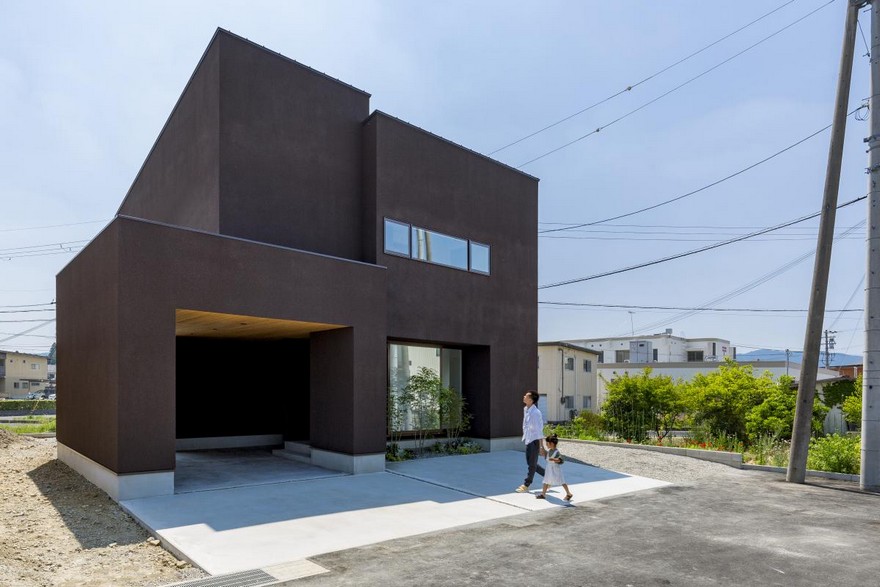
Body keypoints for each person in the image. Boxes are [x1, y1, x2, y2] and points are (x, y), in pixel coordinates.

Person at [515, 390, 545, 493]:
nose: (524, 396)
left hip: (535, 441)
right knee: (531, 463)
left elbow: (539, 430)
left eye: (526, 396)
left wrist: (541, 446)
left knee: (532, 465)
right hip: (528, 439)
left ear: (531, 400)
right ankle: (548, 476)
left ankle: (526, 484)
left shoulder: (536, 413)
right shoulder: (526, 409)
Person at [535, 433, 573, 501]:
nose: (546, 444)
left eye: (547, 443)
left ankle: (569, 493)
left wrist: (554, 459)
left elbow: (561, 460)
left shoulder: (556, 452)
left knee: (562, 481)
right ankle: (543, 494)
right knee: (546, 480)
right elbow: (546, 457)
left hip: (555, 469)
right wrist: (542, 450)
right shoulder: (549, 450)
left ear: (551, 443)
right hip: (549, 468)